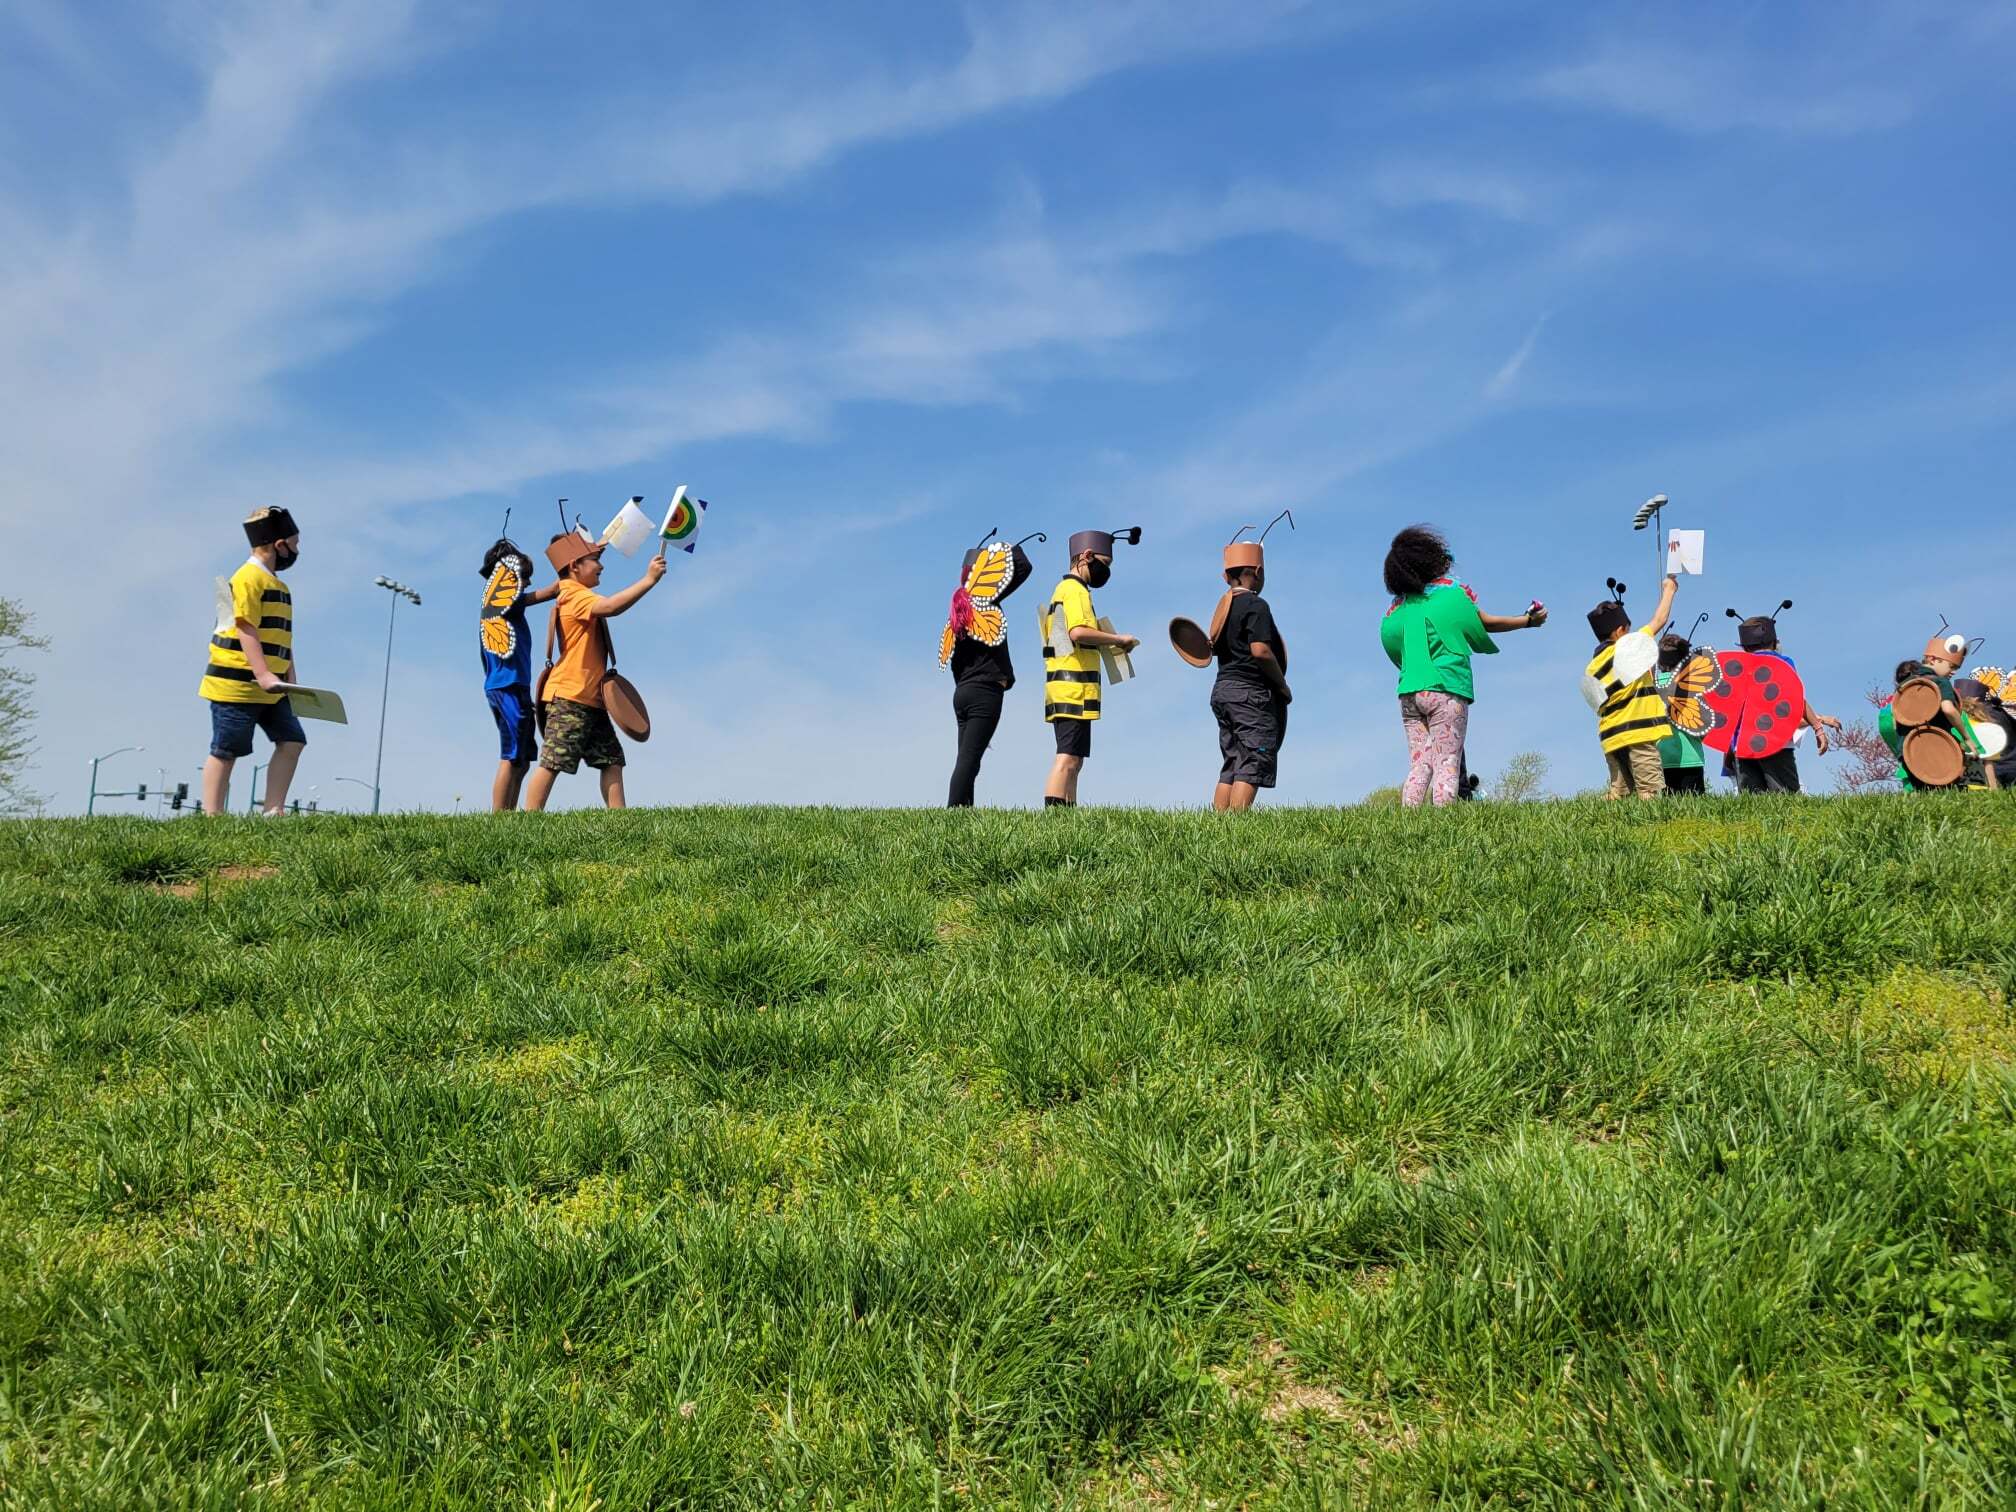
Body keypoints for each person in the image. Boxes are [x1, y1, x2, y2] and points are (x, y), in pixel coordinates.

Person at [1378, 525, 1547, 808]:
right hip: (1446, 689)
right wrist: (1528, 621)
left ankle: (1407, 821)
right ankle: (1443, 822)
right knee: (1447, 761)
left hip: (1409, 693)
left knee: (1420, 764)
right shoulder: (1451, 595)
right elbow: (1485, 623)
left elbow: (1392, 647)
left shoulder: (1396, 609)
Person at [522, 533, 665, 812]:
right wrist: (649, 580)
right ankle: (528, 820)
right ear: (575, 566)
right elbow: (610, 607)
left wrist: (597, 545)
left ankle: (620, 821)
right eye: (595, 561)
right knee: (554, 760)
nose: (601, 566)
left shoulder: (572, 590)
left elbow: (584, 567)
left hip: (590, 698)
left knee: (611, 759)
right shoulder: (574, 596)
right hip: (570, 696)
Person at [200, 507, 306, 816]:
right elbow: (245, 626)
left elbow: (282, 637)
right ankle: (212, 816)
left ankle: (274, 810)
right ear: (279, 545)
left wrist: (291, 680)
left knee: (292, 740)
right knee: (225, 750)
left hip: (274, 687)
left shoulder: (278, 586)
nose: (296, 551)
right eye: (294, 544)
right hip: (238, 685)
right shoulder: (247, 579)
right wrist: (261, 673)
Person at [1040, 527, 1142, 807]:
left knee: (1075, 758)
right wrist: (1118, 639)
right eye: (1103, 564)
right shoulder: (1075, 591)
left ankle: (1067, 817)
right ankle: (1055, 820)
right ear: (1085, 556)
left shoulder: (1063, 590)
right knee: (1067, 757)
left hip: (1071, 688)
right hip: (1072, 687)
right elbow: (1078, 632)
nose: (1105, 571)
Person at [941, 530, 1038, 807]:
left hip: (962, 693)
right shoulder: (986, 603)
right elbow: (1024, 566)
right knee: (969, 760)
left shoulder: (958, 613)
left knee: (967, 757)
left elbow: (955, 664)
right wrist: (1004, 550)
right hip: (985, 692)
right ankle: (955, 812)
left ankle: (963, 813)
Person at [1208, 534, 1290, 811]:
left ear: (1225, 576)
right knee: (1254, 757)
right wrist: (1281, 685)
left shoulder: (1223, 608)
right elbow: (1260, 650)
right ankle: (1237, 828)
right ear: (1257, 572)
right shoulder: (1256, 605)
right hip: (1250, 693)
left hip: (1222, 690)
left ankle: (1218, 830)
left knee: (1232, 760)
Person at [477, 537, 560, 811]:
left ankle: (509, 817)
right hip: (507, 686)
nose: (527, 583)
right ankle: (500, 818)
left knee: (523, 758)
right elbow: (547, 593)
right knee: (511, 755)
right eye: (524, 578)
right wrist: (567, 573)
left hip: (515, 687)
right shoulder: (500, 605)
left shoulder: (504, 609)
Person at [1720, 611, 1840, 793]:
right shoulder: (1783, 662)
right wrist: (1818, 727)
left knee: (1752, 804)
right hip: (1775, 740)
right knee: (1785, 798)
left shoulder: (1736, 667)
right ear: (1774, 642)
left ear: (1744, 647)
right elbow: (1795, 698)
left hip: (1742, 744)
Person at [1585, 575, 1678, 801]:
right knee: (1649, 790)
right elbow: (1659, 620)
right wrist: (1670, 589)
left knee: (1619, 793)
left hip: (1611, 736)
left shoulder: (1593, 665)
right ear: (1619, 631)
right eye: (1627, 630)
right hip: (1638, 731)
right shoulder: (1628, 648)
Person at [1654, 631, 1707, 794]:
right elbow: (1704, 724)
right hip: (1691, 759)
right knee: (1695, 812)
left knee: (1667, 813)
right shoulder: (1693, 686)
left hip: (1661, 759)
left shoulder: (1652, 688)